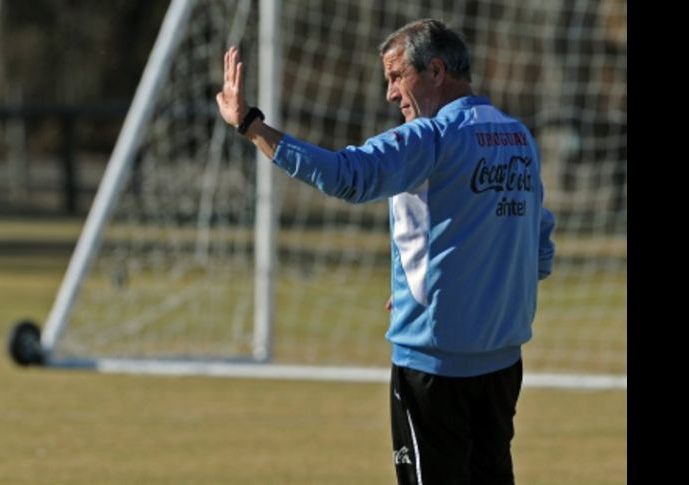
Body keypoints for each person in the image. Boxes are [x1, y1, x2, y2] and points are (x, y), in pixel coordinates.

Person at [216, 18, 555, 485]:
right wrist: (467, 292)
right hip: (502, 363)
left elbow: (345, 175)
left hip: (433, 368)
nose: (391, 94)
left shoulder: (430, 138)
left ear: (435, 71)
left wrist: (252, 126)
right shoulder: (519, 138)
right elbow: (538, 248)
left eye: (397, 77)